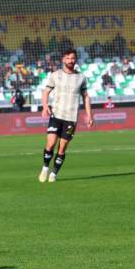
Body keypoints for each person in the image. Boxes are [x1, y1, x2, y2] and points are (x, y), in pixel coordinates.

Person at [39, 49, 93, 183]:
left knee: (62, 147)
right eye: (68, 58)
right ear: (63, 60)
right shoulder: (55, 75)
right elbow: (46, 92)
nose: (70, 60)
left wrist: (89, 115)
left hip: (71, 118)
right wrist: (45, 106)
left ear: (76, 60)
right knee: (50, 144)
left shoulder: (81, 77)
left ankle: (54, 174)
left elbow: (86, 97)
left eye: (73, 58)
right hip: (56, 115)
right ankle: (45, 168)